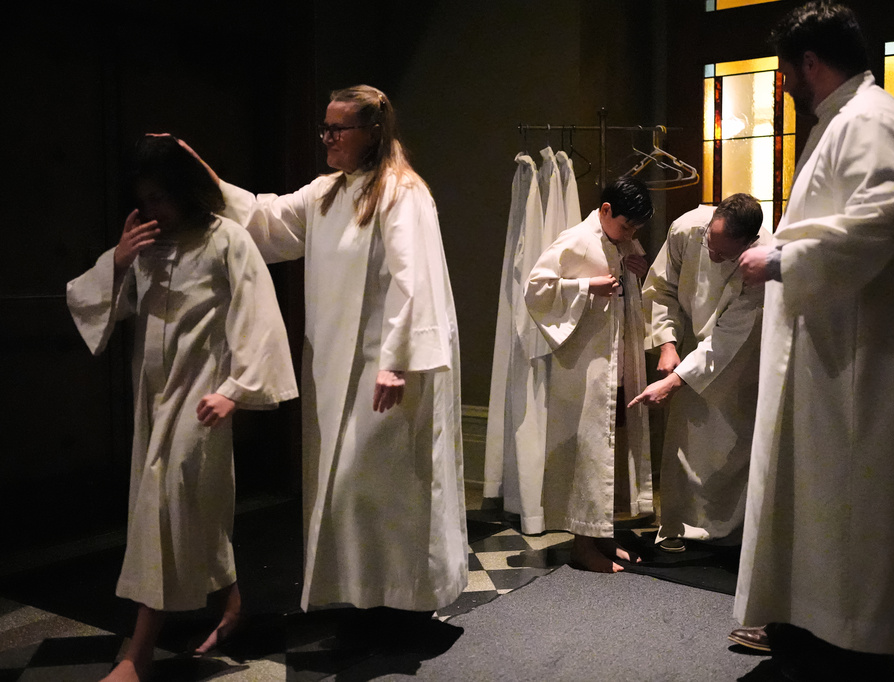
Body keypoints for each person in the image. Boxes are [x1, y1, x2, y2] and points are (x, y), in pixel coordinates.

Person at [184, 85, 468, 622]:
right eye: (326, 128)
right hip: (337, 366)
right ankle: (362, 598)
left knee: (383, 486)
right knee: (345, 490)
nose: (327, 138)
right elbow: (266, 220)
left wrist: (397, 361)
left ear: (372, 132)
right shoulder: (326, 193)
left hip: (387, 368)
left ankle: (404, 601)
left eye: (339, 129)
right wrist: (204, 179)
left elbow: (415, 280)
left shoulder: (402, 192)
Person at [730, 3, 894, 679]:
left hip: (854, 370)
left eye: (785, 70)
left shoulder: (869, 120)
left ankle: (836, 650)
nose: (784, 84)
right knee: (821, 526)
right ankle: (809, 635)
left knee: (844, 528)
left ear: (810, 62)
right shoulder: (848, 119)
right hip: (832, 358)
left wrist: (785, 259)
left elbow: (882, 218)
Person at [67, 136, 298, 682]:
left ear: (186, 191)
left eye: (161, 198)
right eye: (144, 200)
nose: (154, 211)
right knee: (190, 509)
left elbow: (258, 316)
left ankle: (138, 654)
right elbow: (105, 304)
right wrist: (119, 260)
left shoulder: (225, 239)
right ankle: (232, 603)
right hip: (153, 400)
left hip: (200, 401)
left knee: (165, 508)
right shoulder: (148, 246)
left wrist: (236, 390)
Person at [524, 176, 655, 573]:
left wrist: (640, 270)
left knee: (611, 450)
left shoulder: (623, 242)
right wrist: (585, 287)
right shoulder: (577, 239)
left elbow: (633, 294)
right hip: (586, 365)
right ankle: (582, 547)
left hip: (617, 361)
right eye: (626, 226)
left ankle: (603, 534)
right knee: (589, 451)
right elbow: (536, 289)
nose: (630, 235)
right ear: (605, 210)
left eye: (635, 230)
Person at [627, 193, 767, 553]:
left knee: (732, 442)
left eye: (725, 255)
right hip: (690, 338)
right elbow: (661, 288)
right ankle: (679, 526)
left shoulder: (763, 261)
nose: (714, 257)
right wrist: (668, 343)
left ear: (748, 243)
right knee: (685, 438)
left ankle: (732, 535)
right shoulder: (687, 228)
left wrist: (674, 381)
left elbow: (728, 336)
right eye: (711, 246)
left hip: (740, 355)